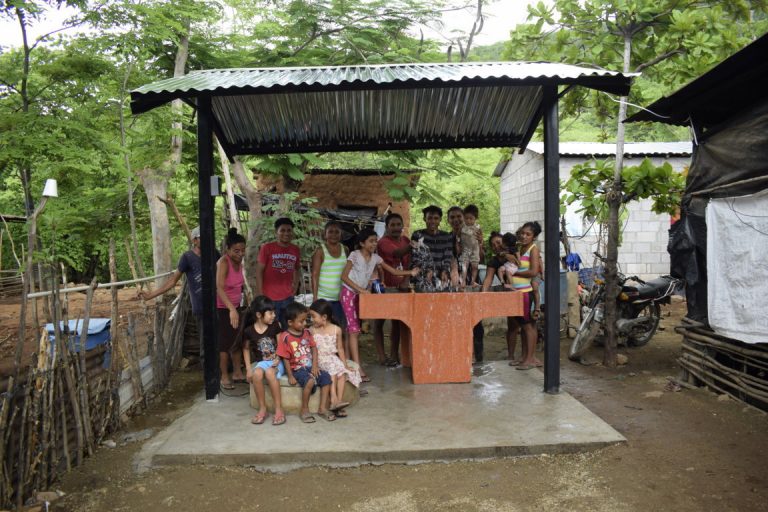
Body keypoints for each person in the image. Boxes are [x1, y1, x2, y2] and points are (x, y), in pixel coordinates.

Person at [341, 228, 419, 382]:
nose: (374, 244)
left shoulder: (376, 258)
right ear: (362, 243)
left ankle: (351, 366)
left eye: (375, 241)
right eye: (371, 241)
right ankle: (358, 369)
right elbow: (344, 277)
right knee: (354, 331)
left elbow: (393, 271)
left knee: (354, 330)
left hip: (361, 295)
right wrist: (360, 290)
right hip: (349, 293)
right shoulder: (354, 255)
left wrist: (410, 273)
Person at [137, 226, 213, 360]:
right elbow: (173, 280)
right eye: (202, 237)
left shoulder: (214, 254)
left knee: (219, 342)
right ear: (194, 240)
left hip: (217, 305)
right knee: (205, 345)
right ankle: (207, 370)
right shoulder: (187, 257)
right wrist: (151, 295)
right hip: (201, 308)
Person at [276, 302, 336, 423]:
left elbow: (314, 348)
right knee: (309, 381)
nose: (304, 323)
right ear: (290, 322)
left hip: (310, 367)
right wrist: (290, 375)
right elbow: (285, 358)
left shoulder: (307, 333)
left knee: (326, 377)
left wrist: (315, 365)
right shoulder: (285, 337)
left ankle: (322, 408)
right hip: (297, 369)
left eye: (305, 320)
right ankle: (304, 409)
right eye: (301, 321)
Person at [234, 296, 286, 426]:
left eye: (274, 312)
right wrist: (248, 369)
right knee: (256, 374)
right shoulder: (249, 331)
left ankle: (278, 409)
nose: (274, 315)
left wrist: (278, 358)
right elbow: (246, 349)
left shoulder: (275, 326)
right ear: (259, 315)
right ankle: (263, 409)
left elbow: (281, 345)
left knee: (269, 373)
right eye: (270, 313)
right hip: (262, 362)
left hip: (277, 361)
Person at [310, 299, 361, 417]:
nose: (312, 319)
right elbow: (312, 350)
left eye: (313, 316)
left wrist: (345, 364)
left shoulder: (336, 329)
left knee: (342, 372)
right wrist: (314, 364)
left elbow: (340, 349)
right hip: (320, 359)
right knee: (332, 371)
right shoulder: (312, 330)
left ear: (324, 317)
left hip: (332, 358)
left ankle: (338, 401)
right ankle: (334, 400)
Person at [447, 206, 485, 362]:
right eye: (452, 217)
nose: (456, 220)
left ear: (464, 218)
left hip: (472, 282)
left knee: (476, 320)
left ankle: (477, 356)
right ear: (448, 220)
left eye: (459, 216)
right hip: (454, 283)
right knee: (456, 319)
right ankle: (458, 355)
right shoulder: (447, 237)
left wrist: (480, 243)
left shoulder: (474, 232)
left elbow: (482, 258)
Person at [372, 213, 411, 367]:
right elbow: (398, 253)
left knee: (397, 322)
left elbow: (410, 261)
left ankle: (394, 355)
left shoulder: (406, 240)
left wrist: (406, 280)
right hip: (384, 288)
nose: (396, 228)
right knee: (379, 321)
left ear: (402, 225)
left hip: (401, 288)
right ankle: (382, 356)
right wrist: (414, 245)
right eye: (392, 225)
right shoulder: (383, 242)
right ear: (387, 227)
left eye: (398, 224)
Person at [256, 217, 301, 329]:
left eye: (289, 230)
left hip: (288, 297)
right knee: (271, 329)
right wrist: (261, 294)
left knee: (287, 328)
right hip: (269, 298)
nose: (286, 233)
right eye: (282, 230)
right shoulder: (267, 248)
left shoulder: (295, 249)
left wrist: (295, 287)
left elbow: (297, 269)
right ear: (276, 232)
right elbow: (259, 271)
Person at [216, 228, 247, 390]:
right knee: (224, 344)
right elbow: (219, 288)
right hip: (223, 308)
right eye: (236, 251)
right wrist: (231, 310)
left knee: (237, 340)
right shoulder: (224, 262)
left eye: (242, 250)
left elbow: (239, 286)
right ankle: (224, 376)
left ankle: (237, 373)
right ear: (227, 250)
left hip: (236, 306)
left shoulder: (239, 263)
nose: (240, 254)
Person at [510, 222, 542, 369]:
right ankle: (524, 357)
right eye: (522, 233)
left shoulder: (533, 249)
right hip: (517, 293)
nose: (524, 236)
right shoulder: (520, 248)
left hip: (525, 293)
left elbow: (534, 271)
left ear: (534, 237)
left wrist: (514, 272)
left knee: (528, 326)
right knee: (523, 327)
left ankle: (529, 360)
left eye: (528, 234)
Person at [310, 220, 348, 334]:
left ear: (341, 234)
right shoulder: (320, 251)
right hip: (323, 297)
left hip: (341, 298)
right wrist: (315, 297)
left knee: (339, 328)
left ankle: (339, 346)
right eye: (330, 232)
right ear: (325, 234)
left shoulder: (345, 249)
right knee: (323, 329)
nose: (334, 235)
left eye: (337, 232)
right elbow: (315, 274)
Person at [411, 205, 458, 291]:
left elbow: (447, 257)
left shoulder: (447, 236)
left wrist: (444, 271)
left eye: (436, 218)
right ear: (424, 219)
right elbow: (416, 258)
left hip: (441, 275)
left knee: (451, 288)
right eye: (429, 218)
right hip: (423, 274)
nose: (432, 221)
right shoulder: (417, 235)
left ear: (440, 220)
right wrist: (427, 271)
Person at [460, 204, 483, 286]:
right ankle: (463, 281)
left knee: (475, 266)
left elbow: (481, 240)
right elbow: (458, 236)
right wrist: (458, 243)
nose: (468, 221)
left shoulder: (478, 227)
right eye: (466, 218)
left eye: (471, 218)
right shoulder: (462, 227)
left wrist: (481, 242)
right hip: (465, 250)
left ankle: (473, 281)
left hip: (475, 250)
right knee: (464, 266)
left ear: (475, 218)